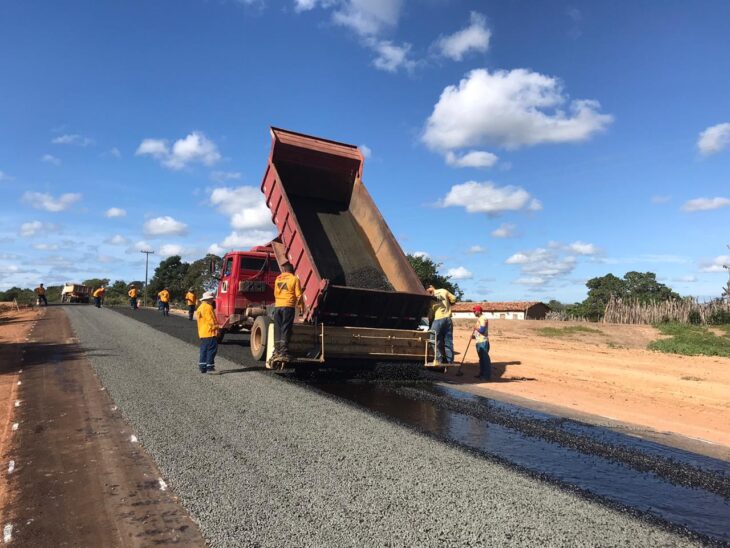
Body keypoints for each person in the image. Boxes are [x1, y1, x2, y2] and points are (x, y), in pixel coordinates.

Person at [272, 263, 303, 362]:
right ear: (292, 271)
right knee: (286, 328)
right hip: (288, 307)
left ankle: (276, 350)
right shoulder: (294, 279)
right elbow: (299, 295)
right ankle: (283, 352)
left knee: (278, 328)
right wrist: (301, 307)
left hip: (277, 307)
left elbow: (275, 293)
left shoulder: (278, 279)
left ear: (284, 270)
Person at [427, 284, 457, 365]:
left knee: (433, 338)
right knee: (448, 341)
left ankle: (438, 359)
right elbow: (454, 298)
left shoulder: (430, 298)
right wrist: (449, 305)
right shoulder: (444, 290)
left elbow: (430, 315)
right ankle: (449, 361)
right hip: (448, 319)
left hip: (438, 319)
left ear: (431, 288)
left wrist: (430, 321)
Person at [196, 291, 219, 373]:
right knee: (212, 349)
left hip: (203, 332)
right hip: (210, 332)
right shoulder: (208, 307)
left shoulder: (200, 307)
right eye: (212, 298)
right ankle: (210, 367)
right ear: (208, 299)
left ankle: (202, 366)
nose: (213, 300)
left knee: (204, 349)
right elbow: (211, 320)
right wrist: (217, 327)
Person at [472, 305, 491, 381]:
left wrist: (476, 328)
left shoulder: (483, 318)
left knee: (485, 359)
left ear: (479, 311)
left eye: (474, 311)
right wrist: (474, 336)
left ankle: (486, 376)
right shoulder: (479, 318)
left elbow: (482, 330)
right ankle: (482, 374)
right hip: (479, 341)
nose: (474, 312)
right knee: (481, 359)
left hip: (483, 341)